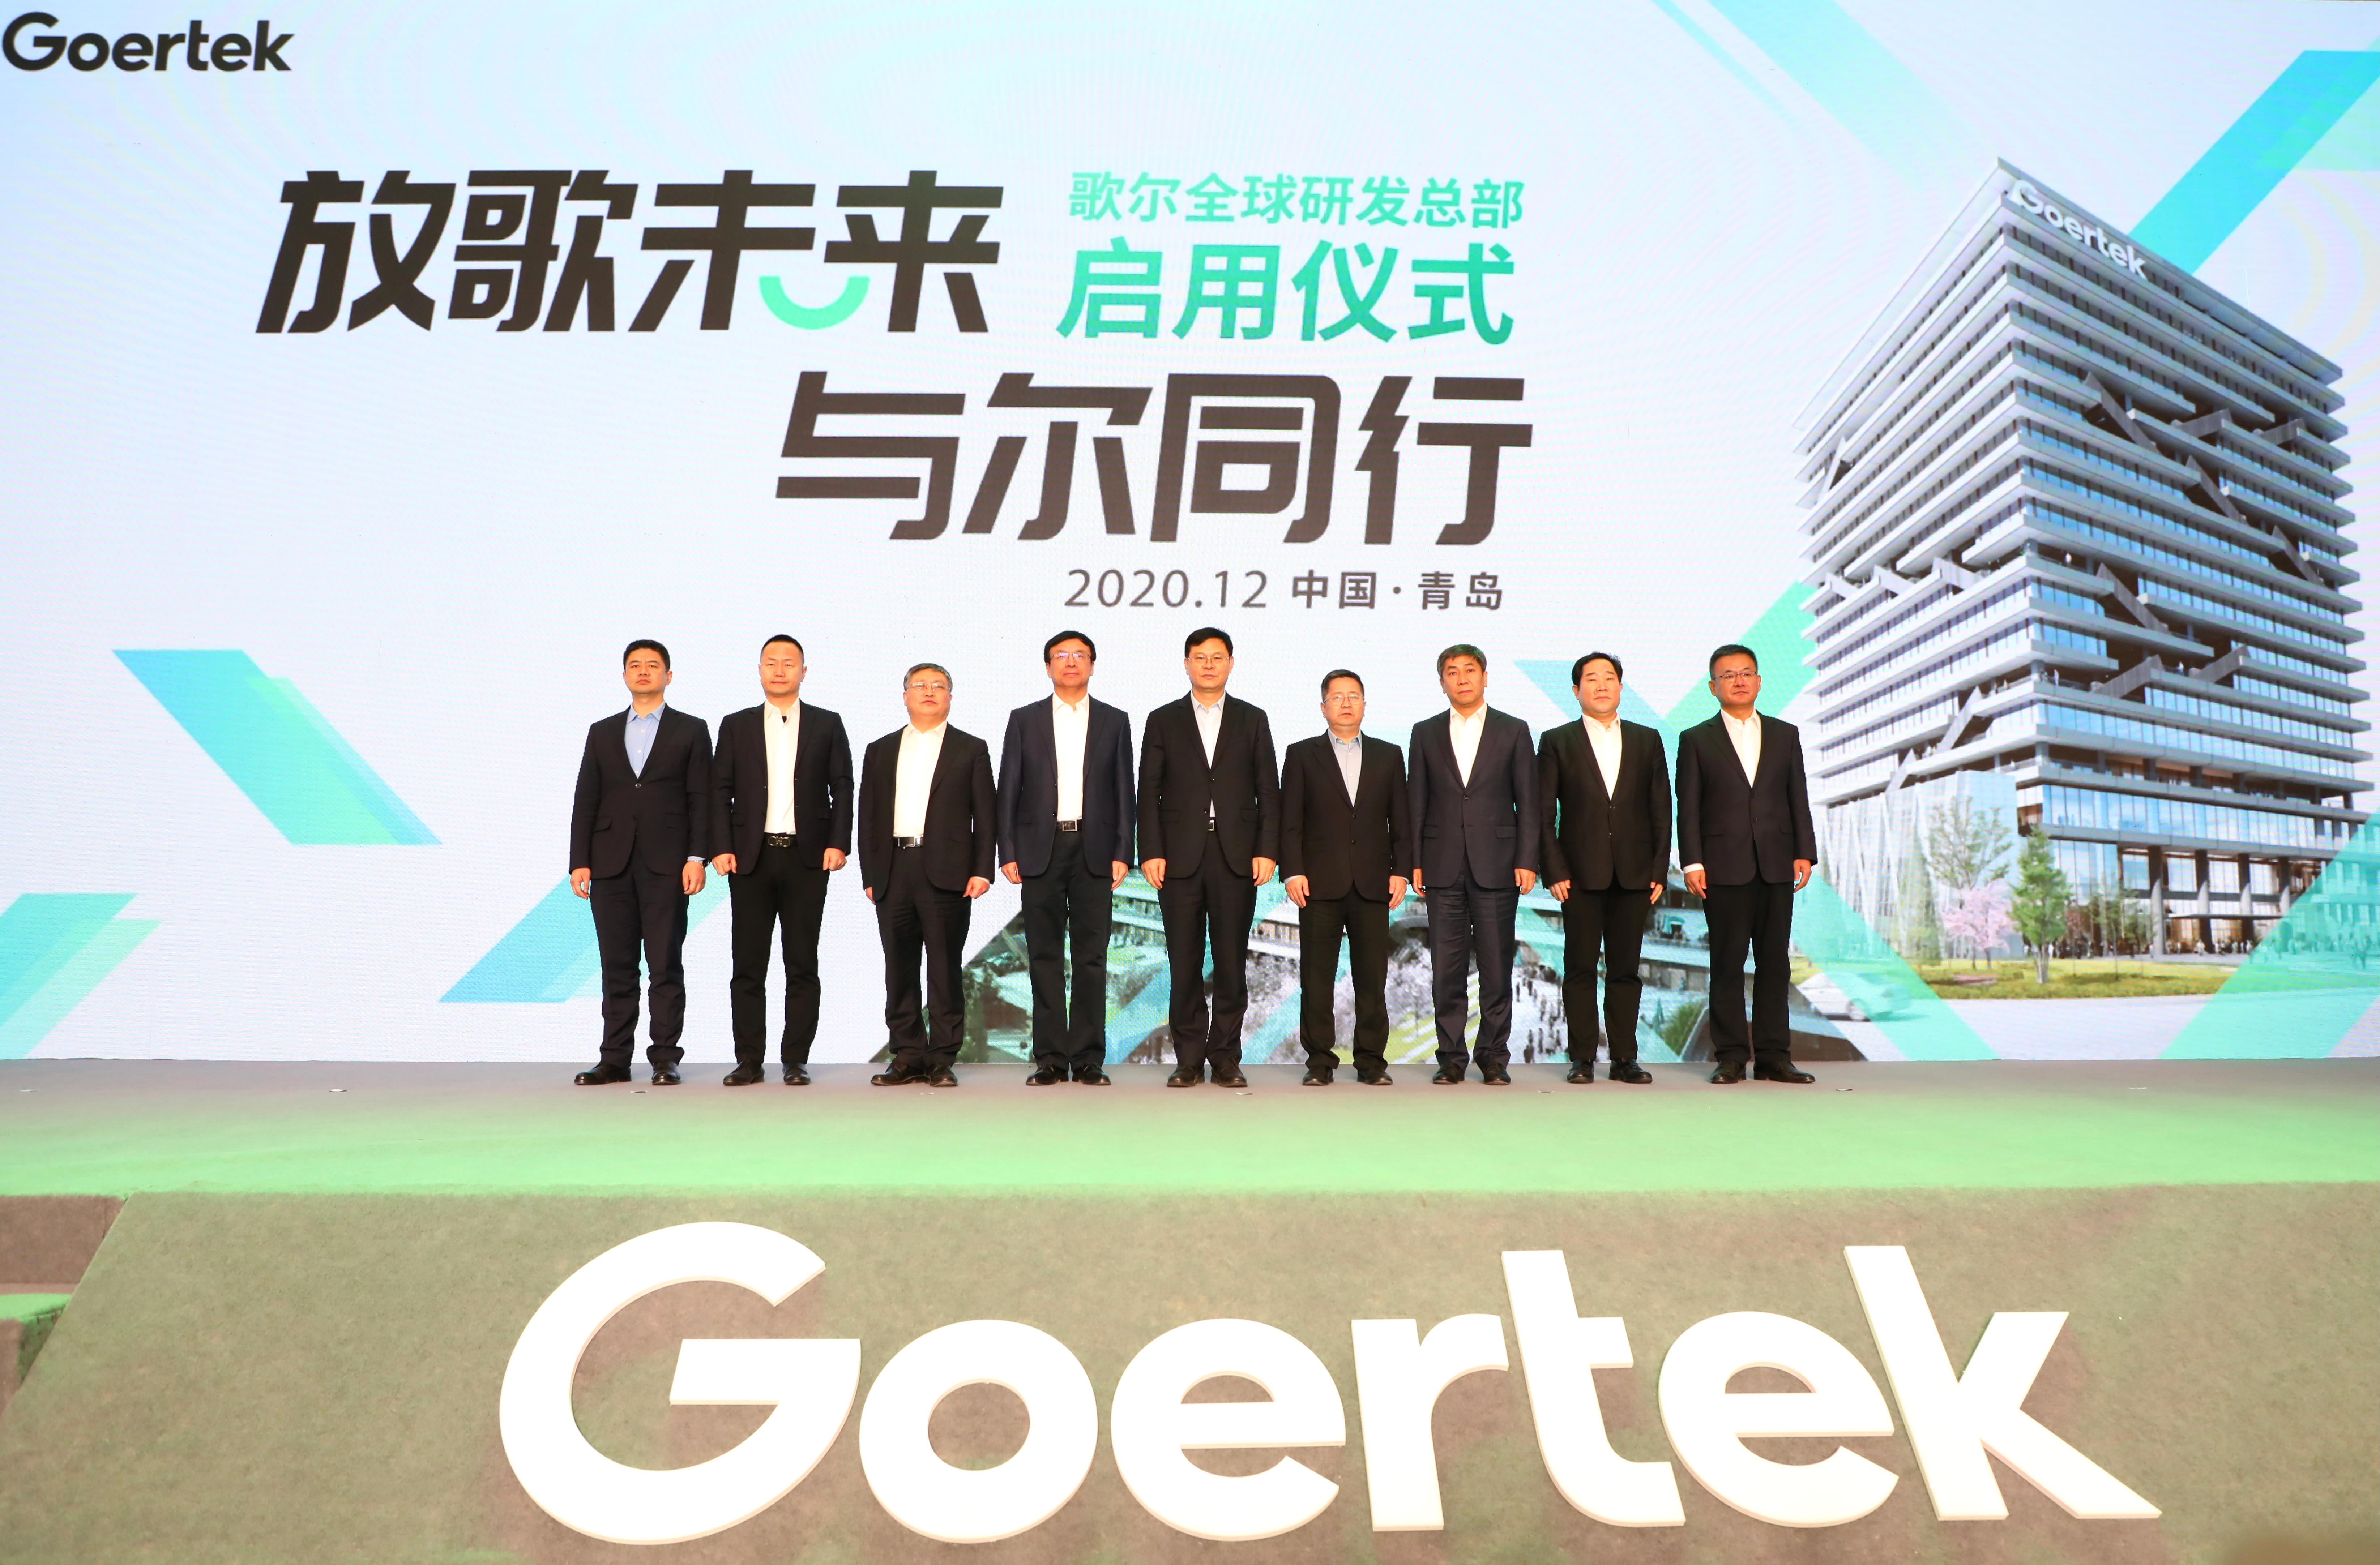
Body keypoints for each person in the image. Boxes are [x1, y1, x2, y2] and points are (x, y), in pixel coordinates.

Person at [1138, 627, 1279, 1088]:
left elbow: (1268, 790)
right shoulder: (1163, 719)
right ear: (1187, 664)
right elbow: (1148, 791)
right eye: (1200, 657)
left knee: (1231, 963)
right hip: (1178, 858)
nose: (1209, 665)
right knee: (1184, 962)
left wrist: (1267, 850)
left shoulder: (1252, 719)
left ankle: (1225, 1058)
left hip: (1236, 855)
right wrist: (1151, 851)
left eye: (1217, 657)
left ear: (1231, 663)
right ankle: (1187, 1059)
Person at [568, 639, 713, 1086]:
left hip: (667, 864)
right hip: (610, 864)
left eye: (653, 665)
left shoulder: (691, 729)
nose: (644, 671)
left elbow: (702, 798)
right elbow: (586, 798)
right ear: (625, 676)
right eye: (635, 665)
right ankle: (614, 1059)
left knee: (665, 965)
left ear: (669, 676)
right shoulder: (602, 731)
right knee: (617, 966)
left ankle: (665, 1058)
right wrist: (580, 861)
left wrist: (697, 857)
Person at [710, 635, 853, 1086]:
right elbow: (719, 789)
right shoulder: (736, 725)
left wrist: (839, 842)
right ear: (759, 670)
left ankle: (795, 1059)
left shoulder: (827, 723)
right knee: (748, 966)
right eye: (771, 662)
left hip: (807, 859)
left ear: (803, 672)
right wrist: (720, 846)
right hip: (749, 859)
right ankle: (749, 1060)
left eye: (788, 663)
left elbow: (843, 786)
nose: (779, 670)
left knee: (802, 964)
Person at [997, 630, 1135, 1086]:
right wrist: (1008, 850)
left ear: (1092, 665)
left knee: (1092, 957)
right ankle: (1051, 1059)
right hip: (1041, 850)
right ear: (1048, 667)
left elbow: (1124, 791)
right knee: (1044, 956)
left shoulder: (1114, 720)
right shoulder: (1025, 719)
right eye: (1061, 655)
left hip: (1095, 850)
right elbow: (1008, 788)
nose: (1071, 662)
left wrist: (1123, 851)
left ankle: (1089, 1058)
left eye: (1080, 655)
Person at [1676, 643, 1817, 1084]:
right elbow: (1688, 806)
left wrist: (1804, 850)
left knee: (1775, 963)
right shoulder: (1696, 739)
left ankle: (1775, 1057)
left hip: (1776, 862)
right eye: (1728, 675)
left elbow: (1797, 795)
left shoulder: (1785, 734)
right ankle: (1732, 1057)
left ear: (1758, 681)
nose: (1738, 681)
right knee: (1727, 963)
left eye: (1745, 673)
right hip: (1721, 866)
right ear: (1712, 687)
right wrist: (1691, 862)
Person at [856, 663, 995, 1087]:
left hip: (949, 872)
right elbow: (868, 816)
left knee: (944, 967)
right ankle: (906, 1055)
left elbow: (985, 817)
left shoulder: (971, 748)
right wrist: (870, 873)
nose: (929, 691)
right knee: (898, 967)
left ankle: (941, 1058)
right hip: (893, 868)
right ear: (905, 696)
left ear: (951, 697)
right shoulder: (880, 750)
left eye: (939, 686)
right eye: (919, 685)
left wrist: (982, 870)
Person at [1408, 644, 1538, 1085]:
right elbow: (1416, 801)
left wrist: (1527, 858)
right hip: (1441, 864)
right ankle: (1450, 1057)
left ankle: (1493, 1056)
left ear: (1485, 677)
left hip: (1498, 864)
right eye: (1452, 671)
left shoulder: (1513, 730)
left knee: (1497, 967)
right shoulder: (1425, 732)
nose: (1461, 678)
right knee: (1446, 969)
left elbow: (1529, 801)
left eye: (1469, 670)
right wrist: (1415, 860)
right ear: (1441, 682)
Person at [1538, 652, 1668, 1085]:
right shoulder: (1557, 740)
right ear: (1576, 690)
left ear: (1620, 687)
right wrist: (1554, 870)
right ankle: (1581, 1058)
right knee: (1579, 969)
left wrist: (1658, 869)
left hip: (1634, 874)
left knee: (1625, 971)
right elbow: (1542, 813)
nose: (1601, 685)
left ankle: (1625, 1059)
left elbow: (1661, 809)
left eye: (1609, 677)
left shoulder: (1647, 739)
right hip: (1577, 876)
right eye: (1591, 679)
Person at [1280, 669, 1409, 1086]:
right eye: (1337, 697)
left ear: (1365, 705)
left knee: (1372, 979)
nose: (1346, 703)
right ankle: (1319, 1061)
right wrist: (1292, 871)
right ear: (1323, 707)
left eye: (1354, 695)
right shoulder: (1301, 754)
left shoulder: (1389, 755)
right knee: (1317, 978)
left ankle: (1371, 1061)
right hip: (1318, 884)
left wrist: (1401, 872)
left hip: (1373, 884)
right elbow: (1290, 822)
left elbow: (1401, 822)